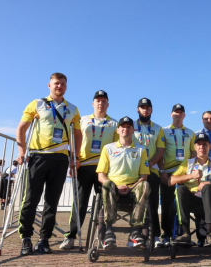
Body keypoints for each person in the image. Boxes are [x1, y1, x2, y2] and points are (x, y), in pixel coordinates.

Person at [16, 72, 81, 256]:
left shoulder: (73, 109)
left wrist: (75, 158)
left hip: (60, 159)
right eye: (56, 83)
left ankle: (44, 239)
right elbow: (21, 128)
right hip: (39, 156)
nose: (59, 86)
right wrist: (22, 152)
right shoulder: (37, 103)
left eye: (62, 84)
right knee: (31, 199)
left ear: (66, 87)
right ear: (49, 85)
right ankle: (26, 238)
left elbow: (77, 134)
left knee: (52, 201)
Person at [60, 90, 118, 250]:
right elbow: (74, 140)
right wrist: (73, 160)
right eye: (98, 100)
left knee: (104, 204)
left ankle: (103, 237)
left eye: (104, 101)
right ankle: (70, 236)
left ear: (108, 104)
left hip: (103, 169)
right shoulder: (83, 120)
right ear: (93, 103)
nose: (101, 103)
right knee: (80, 203)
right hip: (84, 165)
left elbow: (116, 149)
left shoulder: (114, 123)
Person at [169, 133, 211, 245]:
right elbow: (170, 181)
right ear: (195, 147)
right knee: (180, 190)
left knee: (208, 187)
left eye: (204, 144)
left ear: (209, 146)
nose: (202, 147)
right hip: (193, 199)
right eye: (199, 145)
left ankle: (210, 233)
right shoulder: (187, 163)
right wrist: (190, 176)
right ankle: (185, 233)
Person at [96, 116, 150, 249]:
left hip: (133, 188)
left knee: (145, 185)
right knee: (107, 184)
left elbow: (144, 176)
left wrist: (131, 187)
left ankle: (135, 232)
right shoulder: (108, 148)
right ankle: (108, 231)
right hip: (114, 187)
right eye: (123, 127)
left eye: (128, 127)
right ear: (118, 130)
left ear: (133, 130)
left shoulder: (141, 149)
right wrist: (116, 186)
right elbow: (101, 175)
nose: (125, 129)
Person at [132, 97, 166, 248]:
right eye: (142, 107)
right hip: (133, 172)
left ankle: (156, 235)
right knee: (136, 203)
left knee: (152, 204)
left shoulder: (158, 129)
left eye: (148, 108)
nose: (145, 110)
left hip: (152, 171)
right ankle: (136, 234)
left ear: (151, 110)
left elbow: (161, 150)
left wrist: (150, 164)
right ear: (138, 110)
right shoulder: (129, 125)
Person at [160, 104, 196, 247]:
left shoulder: (190, 132)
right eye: (176, 112)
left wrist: (191, 172)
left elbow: (193, 153)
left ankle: (183, 234)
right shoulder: (164, 131)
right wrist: (162, 171)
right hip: (168, 173)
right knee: (167, 205)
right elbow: (160, 153)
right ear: (171, 114)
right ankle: (166, 235)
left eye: (181, 113)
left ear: (184, 116)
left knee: (183, 204)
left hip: (184, 173)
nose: (178, 115)